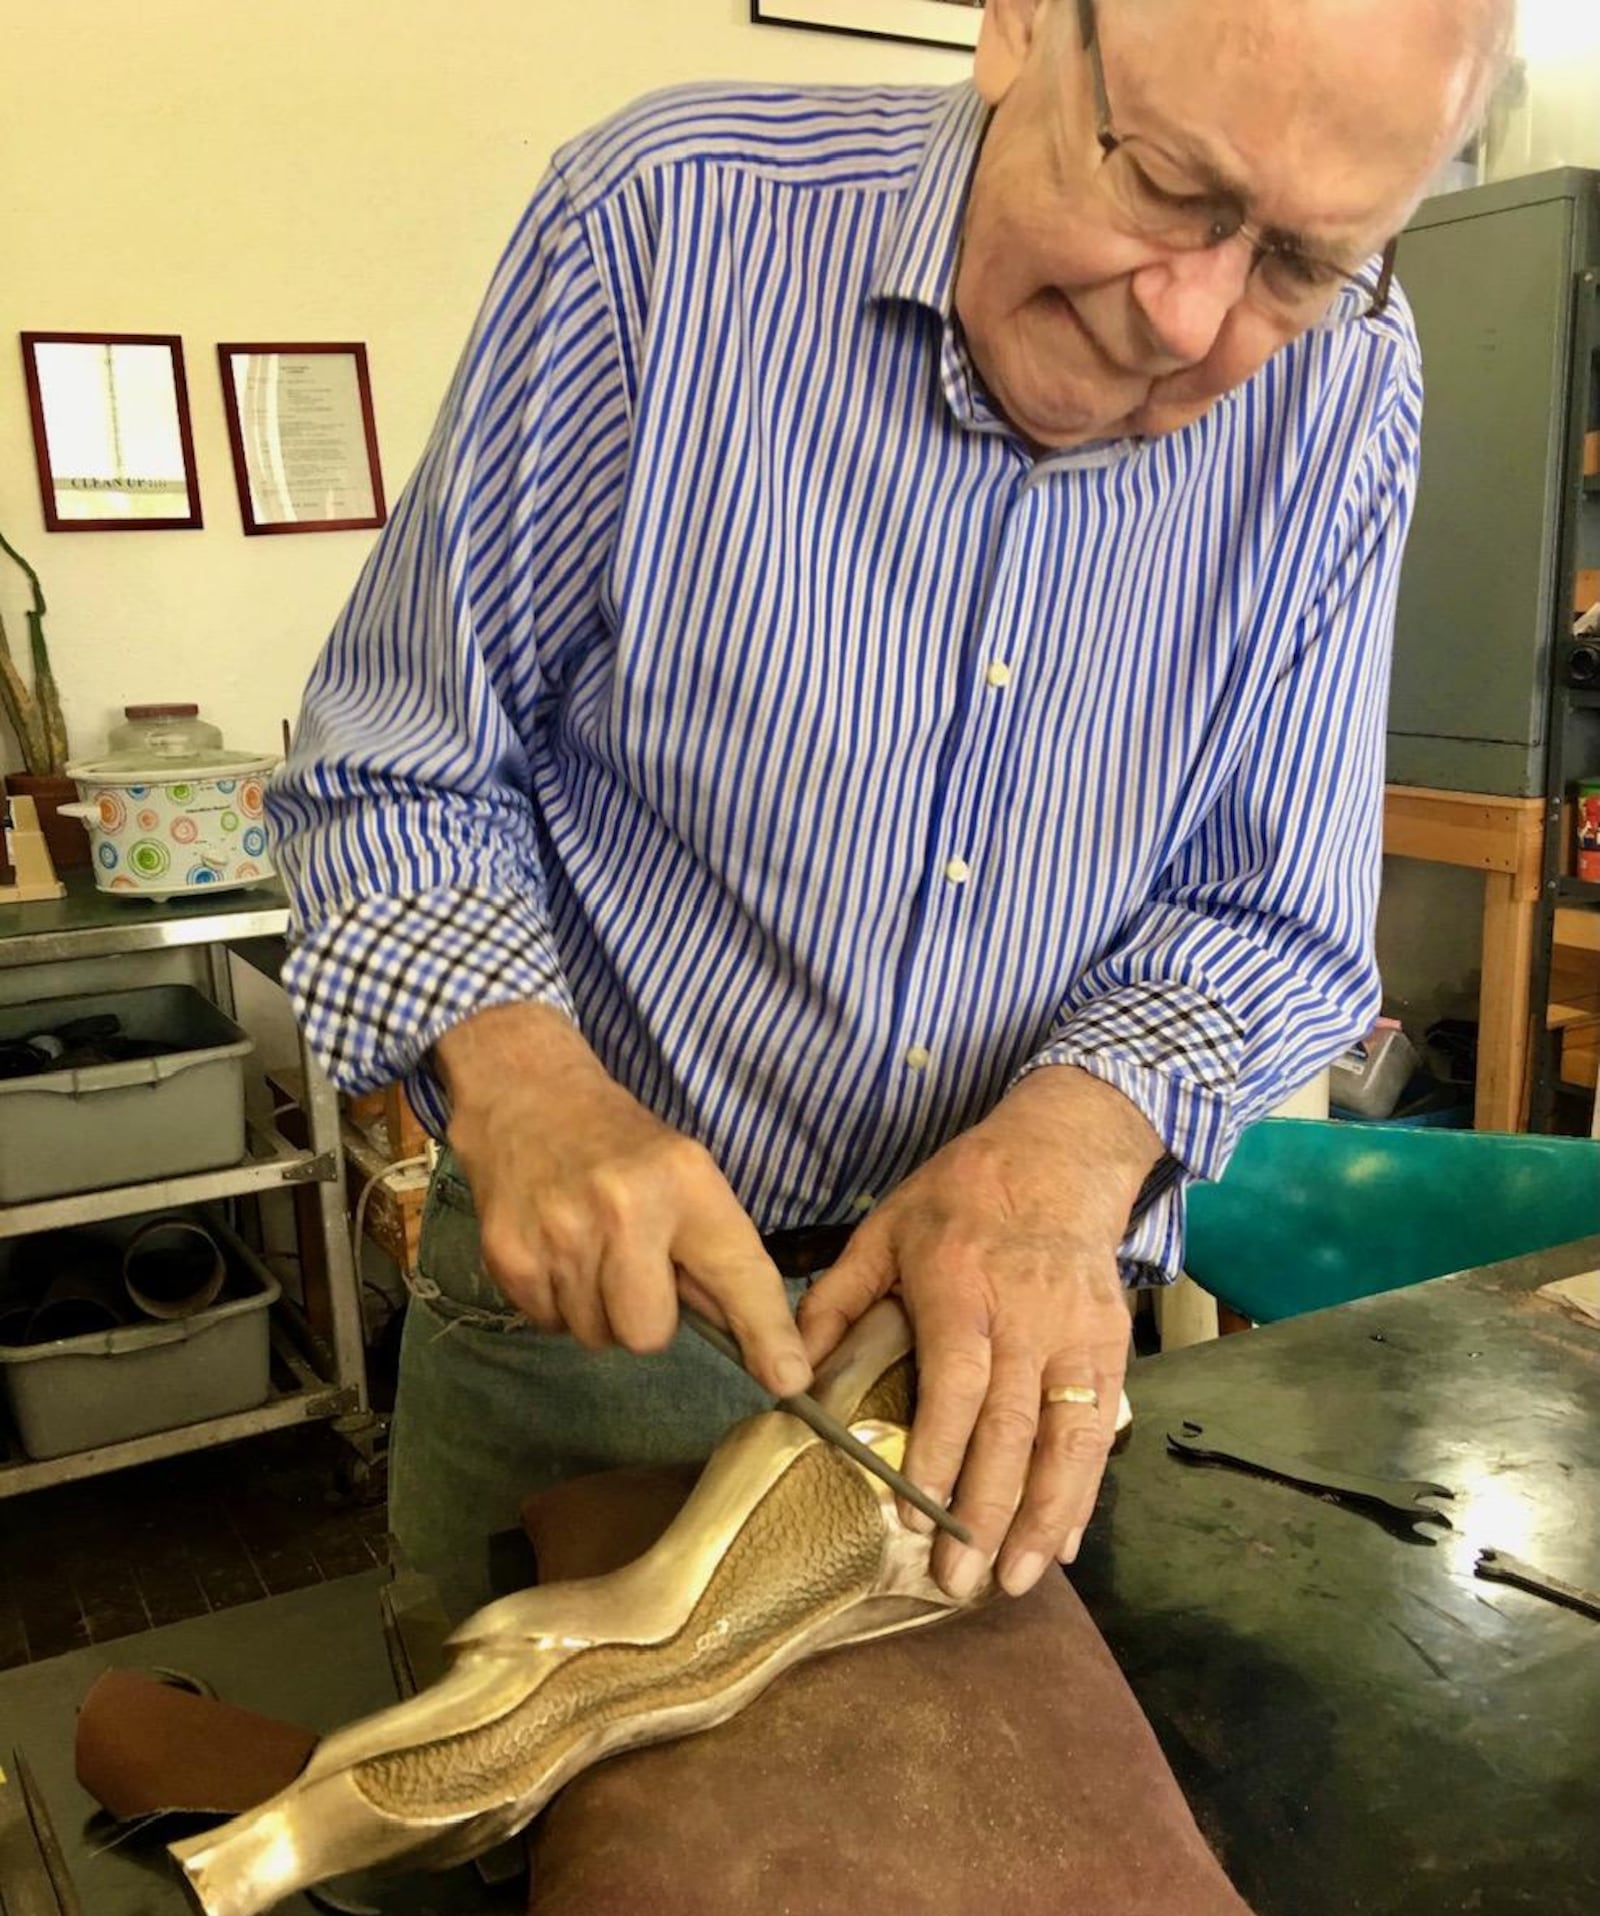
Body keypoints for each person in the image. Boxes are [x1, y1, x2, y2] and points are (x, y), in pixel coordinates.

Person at [269, 0, 1508, 1619]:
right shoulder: (665, 223)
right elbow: (391, 765)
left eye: (1294, 263)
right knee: (516, 1840)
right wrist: (525, 1085)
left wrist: (1064, 1153)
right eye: (1169, 186)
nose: (1191, 320)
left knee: (991, 1850)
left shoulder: (1353, 376)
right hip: (604, 1326)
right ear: (1014, 30)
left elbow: (1275, 910)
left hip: (1009, 1341)